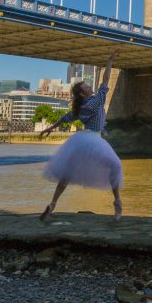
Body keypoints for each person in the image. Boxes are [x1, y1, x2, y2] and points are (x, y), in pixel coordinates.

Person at [38, 48, 123, 222]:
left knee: (67, 174)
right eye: (86, 86)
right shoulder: (95, 101)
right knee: (115, 166)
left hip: (81, 141)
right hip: (94, 140)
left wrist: (50, 128)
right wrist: (109, 61)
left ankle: (53, 204)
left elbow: (66, 118)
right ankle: (118, 203)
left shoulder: (79, 107)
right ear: (83, 93)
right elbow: (106, 80)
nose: (90, 86)